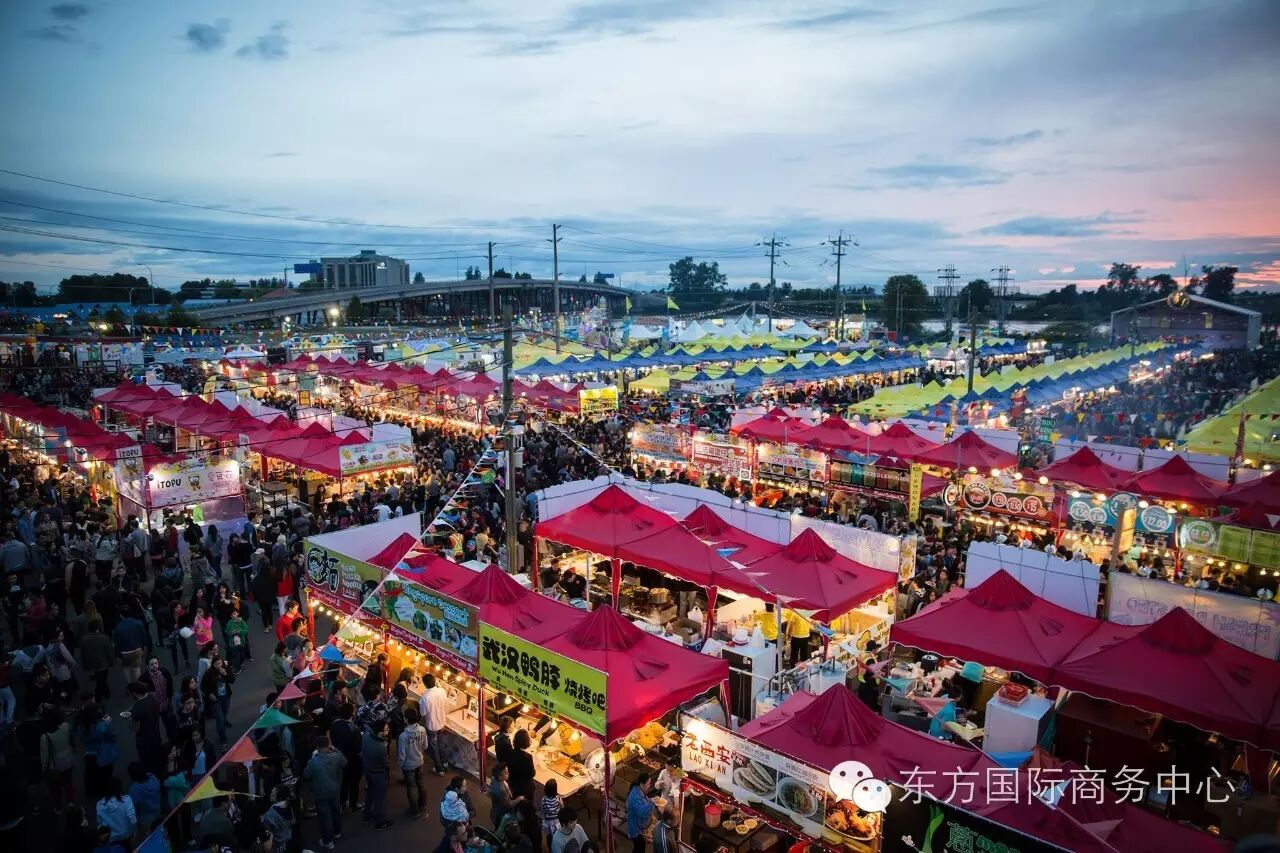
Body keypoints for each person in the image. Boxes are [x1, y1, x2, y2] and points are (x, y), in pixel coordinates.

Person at [302, 732, 347, 850]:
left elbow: (306, 774)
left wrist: (311, 759)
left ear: (317, 747)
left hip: (320, 792)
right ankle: (337, 832)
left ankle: (328, 840)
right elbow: (344, 762)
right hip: (335, 790)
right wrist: (336, 750)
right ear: (328, 745)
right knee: (336, 811)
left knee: (325, 816)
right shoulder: (336, 756)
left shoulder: (314, 761)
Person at [330, 702, 364, 815]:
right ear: (351, 713)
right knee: (354, 783)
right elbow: (358, 748)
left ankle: (342, 804)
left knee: (344, 782)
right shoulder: (354, 729)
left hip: (339, 757)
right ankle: (353, 805)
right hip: (352, 759)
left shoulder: (335, 724)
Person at [361, 718, 393, 829]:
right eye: (386, 729)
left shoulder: (366, 736)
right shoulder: (381, 747)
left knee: (370, 793)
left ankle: (367, 815)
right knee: (380, 798)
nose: (388, 730)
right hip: (378, 774)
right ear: (380, 732)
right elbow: (385, 764)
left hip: (367, 770)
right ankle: (380, 821)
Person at [397, 706, 428, 819]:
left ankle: (415, 811)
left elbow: (402, 754)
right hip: (419, 762)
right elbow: (425, 746)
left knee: (411, 787)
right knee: (421, 783)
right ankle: (423, 805)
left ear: (406, 719)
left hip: (408, 765)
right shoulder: (422, 730)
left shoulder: (403, 736)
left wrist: (400, 765)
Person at [418, 673, 449, 775]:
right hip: (442, 722)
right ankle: (445, 762)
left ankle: (439, 769)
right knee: (441, 743)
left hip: (432, 725)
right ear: (434, 681)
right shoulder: (442, 691)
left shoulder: (425, 698)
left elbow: (423, 713)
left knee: (434, 747)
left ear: (425, 684)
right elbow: (446, 705)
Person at [94, 778, 137, 848]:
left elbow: (100, 822)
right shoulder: (126, 799)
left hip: (111, 837)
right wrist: (135, 831)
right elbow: (132, 818)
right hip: (127, 834)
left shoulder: (99, 805)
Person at [80, 619, 115, 703]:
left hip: (92, 664)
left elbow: (83, 654)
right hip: (103, 663)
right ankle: (99, 696)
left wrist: (85, 665)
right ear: (98, 628)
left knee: (100, 678)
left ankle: (106, 691)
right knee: (101, 680)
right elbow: (109, 653)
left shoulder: (84, 640)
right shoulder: (105, 638)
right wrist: (111, 663)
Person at [126, 762, 161, 833]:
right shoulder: (154, 779)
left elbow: (131, 807)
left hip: (145, 820)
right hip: (158, 812)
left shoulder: (135, 789)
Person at [626, 773, 657, 853]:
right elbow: (642, 813)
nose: (650, 785)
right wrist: (652, 803)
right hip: (635, 829)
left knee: (640, 846)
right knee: (639, 847)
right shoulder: (635, 796)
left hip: (638, 826)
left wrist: (651, 800)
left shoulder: (639, 790)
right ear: (642, 784)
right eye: (648, 783)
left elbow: (644, 801)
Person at [488, 762, 524, 830]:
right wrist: (518, 799)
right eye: (506, 773)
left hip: (496, 808)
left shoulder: (494, 779)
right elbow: (507, 804)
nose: (508, 773)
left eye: (508, 771)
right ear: (500, 777)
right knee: (501, 827)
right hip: (501, 813)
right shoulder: (501, 790)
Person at [539, 778, 564, 850]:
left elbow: (542, 810)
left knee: (544, 842)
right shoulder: (559, 798)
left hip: (547, 821)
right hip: (557, 822)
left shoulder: (544, 799)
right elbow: (562, 807)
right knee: (557, 839)